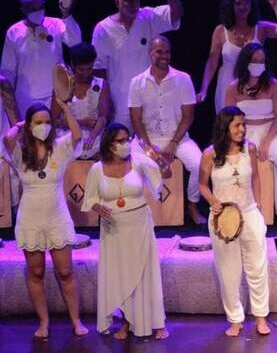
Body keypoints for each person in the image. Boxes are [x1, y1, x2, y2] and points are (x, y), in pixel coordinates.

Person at [3, 102, 88, 339]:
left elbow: (78, 134)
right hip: (30, 218)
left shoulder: (59, 148)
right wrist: (22, 123)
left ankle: (76, 320)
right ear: (30, 126)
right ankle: (43, 323)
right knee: (36, 271)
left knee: (65, 271)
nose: (44, 127)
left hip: (57, 217)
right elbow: (7, 138)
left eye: (47, 122)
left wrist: (64, 108)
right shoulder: (20, 152)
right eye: (39, 123)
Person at [81, 123, 168, 340]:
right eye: (120, 140)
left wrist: (158, 158)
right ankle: (126, 323)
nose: (126, 144)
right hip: (114, 231)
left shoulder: (138, 162)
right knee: (121, 275)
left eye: (127, 139)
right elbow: (90, 198)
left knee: (144, 274)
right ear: (110, 144)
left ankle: (157, 323)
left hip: (139, 226)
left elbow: (164, 173)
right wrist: (97, 206)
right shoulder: (96, 169)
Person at [199, 106, 271, 337]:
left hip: (249, 212)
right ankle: (235, 319)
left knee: (257, 267)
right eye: (236, 125)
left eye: (243, 124)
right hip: (223, 217)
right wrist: (213, 202)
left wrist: (259, 208)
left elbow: (257, 178)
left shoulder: (249, 149)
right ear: (225, 127)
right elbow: (202, 184)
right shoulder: (210, 154)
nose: (242, 129)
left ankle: (261, 317)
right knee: (228, 270)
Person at [128, 37, 205, 224]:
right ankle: (138, 210)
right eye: (159, 52)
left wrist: (174, 143)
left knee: (199, 164)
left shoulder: (183, 79)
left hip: (177, 138)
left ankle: (192, 206)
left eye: (167, 52)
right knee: (131, 165)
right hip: (146, 138)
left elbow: (188, 116)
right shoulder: (137, 82)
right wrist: (149, 148)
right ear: (150, 53)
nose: (164, 56)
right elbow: (136, 120)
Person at [92, 0, 183, 129]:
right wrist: (105, 99)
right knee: (122, 141)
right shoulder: (102, 29)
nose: (134, 5)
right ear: (117, 3)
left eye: (136, 0)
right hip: (120, 98)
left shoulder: (148, 17)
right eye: (128, 1)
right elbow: (99, 68)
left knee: (152, 138)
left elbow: (175, 14)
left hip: (149, 94)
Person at [225, 43, 277, 220]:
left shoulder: (273, 85)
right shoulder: (233, 88)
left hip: (270, 130)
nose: (258, 64)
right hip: (242, 132)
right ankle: (242, 207)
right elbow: (229, 120)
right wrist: (243, 141)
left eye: (262, 61)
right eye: (254, 60)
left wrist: (266, 141)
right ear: (245, 62)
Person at [197, 0, 277, 112]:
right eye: (238, 3)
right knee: (230, 126)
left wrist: (274, 4)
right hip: (227, 83)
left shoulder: (260, 28)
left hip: (253, 83)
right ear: (231, 5)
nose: (243, 6)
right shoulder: (221, 30)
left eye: (246, 2)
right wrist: (204, 89)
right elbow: (212, 62)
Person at [1, 0, 82, 116]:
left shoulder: (56, 24)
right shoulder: (13, 32)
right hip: (25, 99)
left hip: (56, 95)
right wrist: (9, 105)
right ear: (23, 8)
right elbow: (8, 71)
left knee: (57, 134)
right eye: (32, 8)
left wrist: (66, 14)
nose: (38, 11)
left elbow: (76, 42)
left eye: (40, 6)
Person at [51, 42, 111, 159]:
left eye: (89, 68)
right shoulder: (62, 86)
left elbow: (103, 117)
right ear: (73, 65)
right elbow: (54, 120)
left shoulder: (101, 84)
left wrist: (93, 135)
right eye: (81, 69)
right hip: (68, 136)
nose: (86, 73)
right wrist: (80, 122)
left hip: (94, 136)